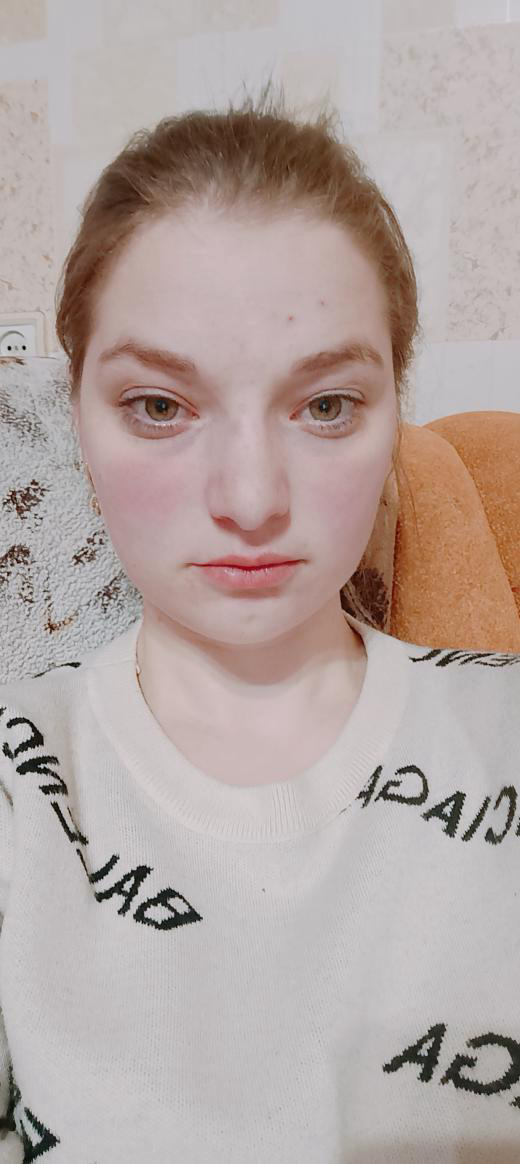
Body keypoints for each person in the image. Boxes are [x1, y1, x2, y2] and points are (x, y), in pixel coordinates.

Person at [1, 79, 519, 1163]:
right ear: (78, 418)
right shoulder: (23, 782)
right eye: (159, 406)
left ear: (394, 409)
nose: (249, 498)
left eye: (325, 406)